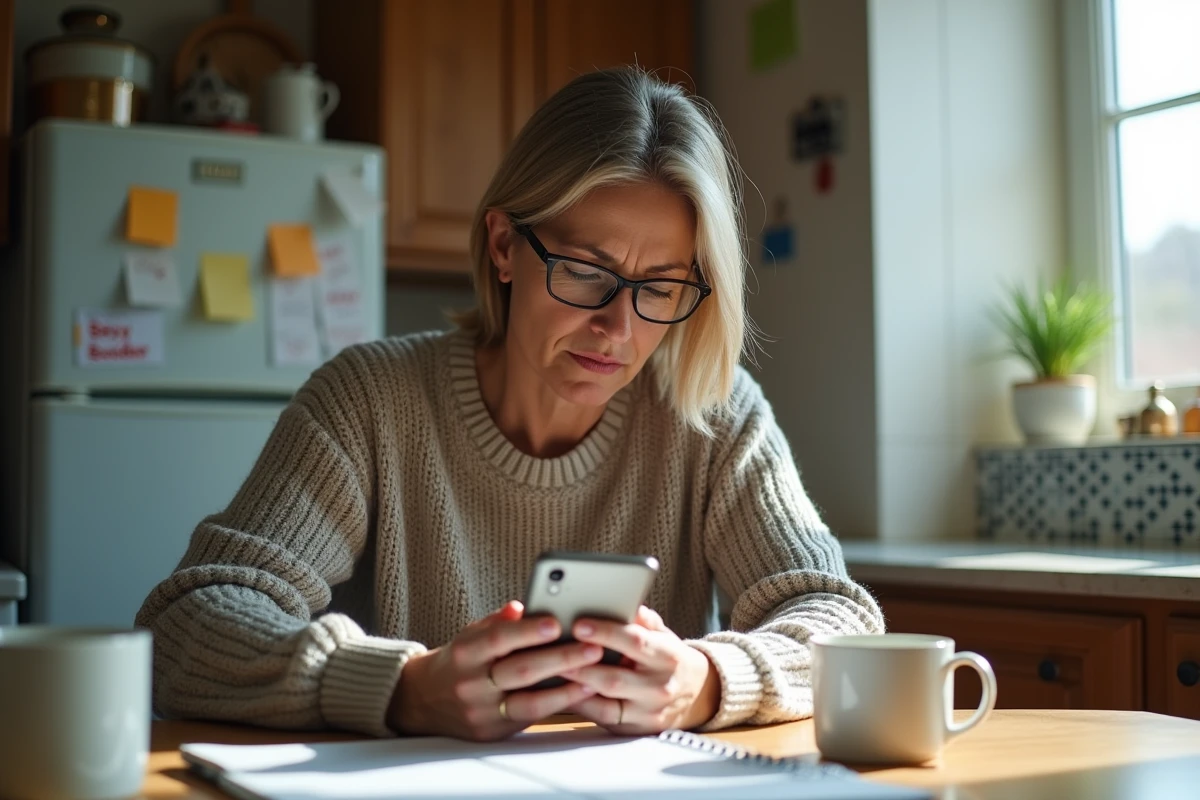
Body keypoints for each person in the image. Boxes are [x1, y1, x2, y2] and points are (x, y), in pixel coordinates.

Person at [135, 67, 884, 743]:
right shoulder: (370, 402)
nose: (619, 330)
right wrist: (402, 688)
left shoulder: (714, 416)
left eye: (660, 288)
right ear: (503, 247)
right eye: (587, 272)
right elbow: (184, 629)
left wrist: (706, 681)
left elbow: (841, 620)